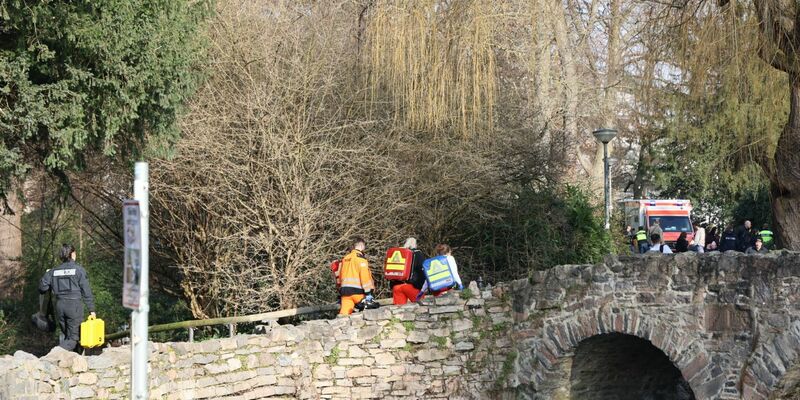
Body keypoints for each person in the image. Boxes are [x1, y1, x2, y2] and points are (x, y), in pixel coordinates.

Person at [38, 244, 96, 352]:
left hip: (60, 306)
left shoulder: (53, 271)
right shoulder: (79, 270)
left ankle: (73, 359)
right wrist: (91, 310)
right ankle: (55, 353)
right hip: (74, 307)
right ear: (72, 254)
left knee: (68, 336)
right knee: (74, 338)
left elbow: (42, 288)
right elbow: (86, 292)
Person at [337, 237, 375, 316]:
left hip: (345, 292)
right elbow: (364, 276)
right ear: (361, 246)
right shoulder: (361, 259)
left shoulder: (345, 258)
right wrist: (368, 292)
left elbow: (340, 275)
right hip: (358, 292)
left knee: (344, 315)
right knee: (371, 310)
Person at [391, 237, 427, 305]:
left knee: (399, 309)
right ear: (415, 244)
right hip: (411, 286)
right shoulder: (418, 253)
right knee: (421, 307)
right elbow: (421, 271)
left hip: (396, 286)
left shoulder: (399, 253)